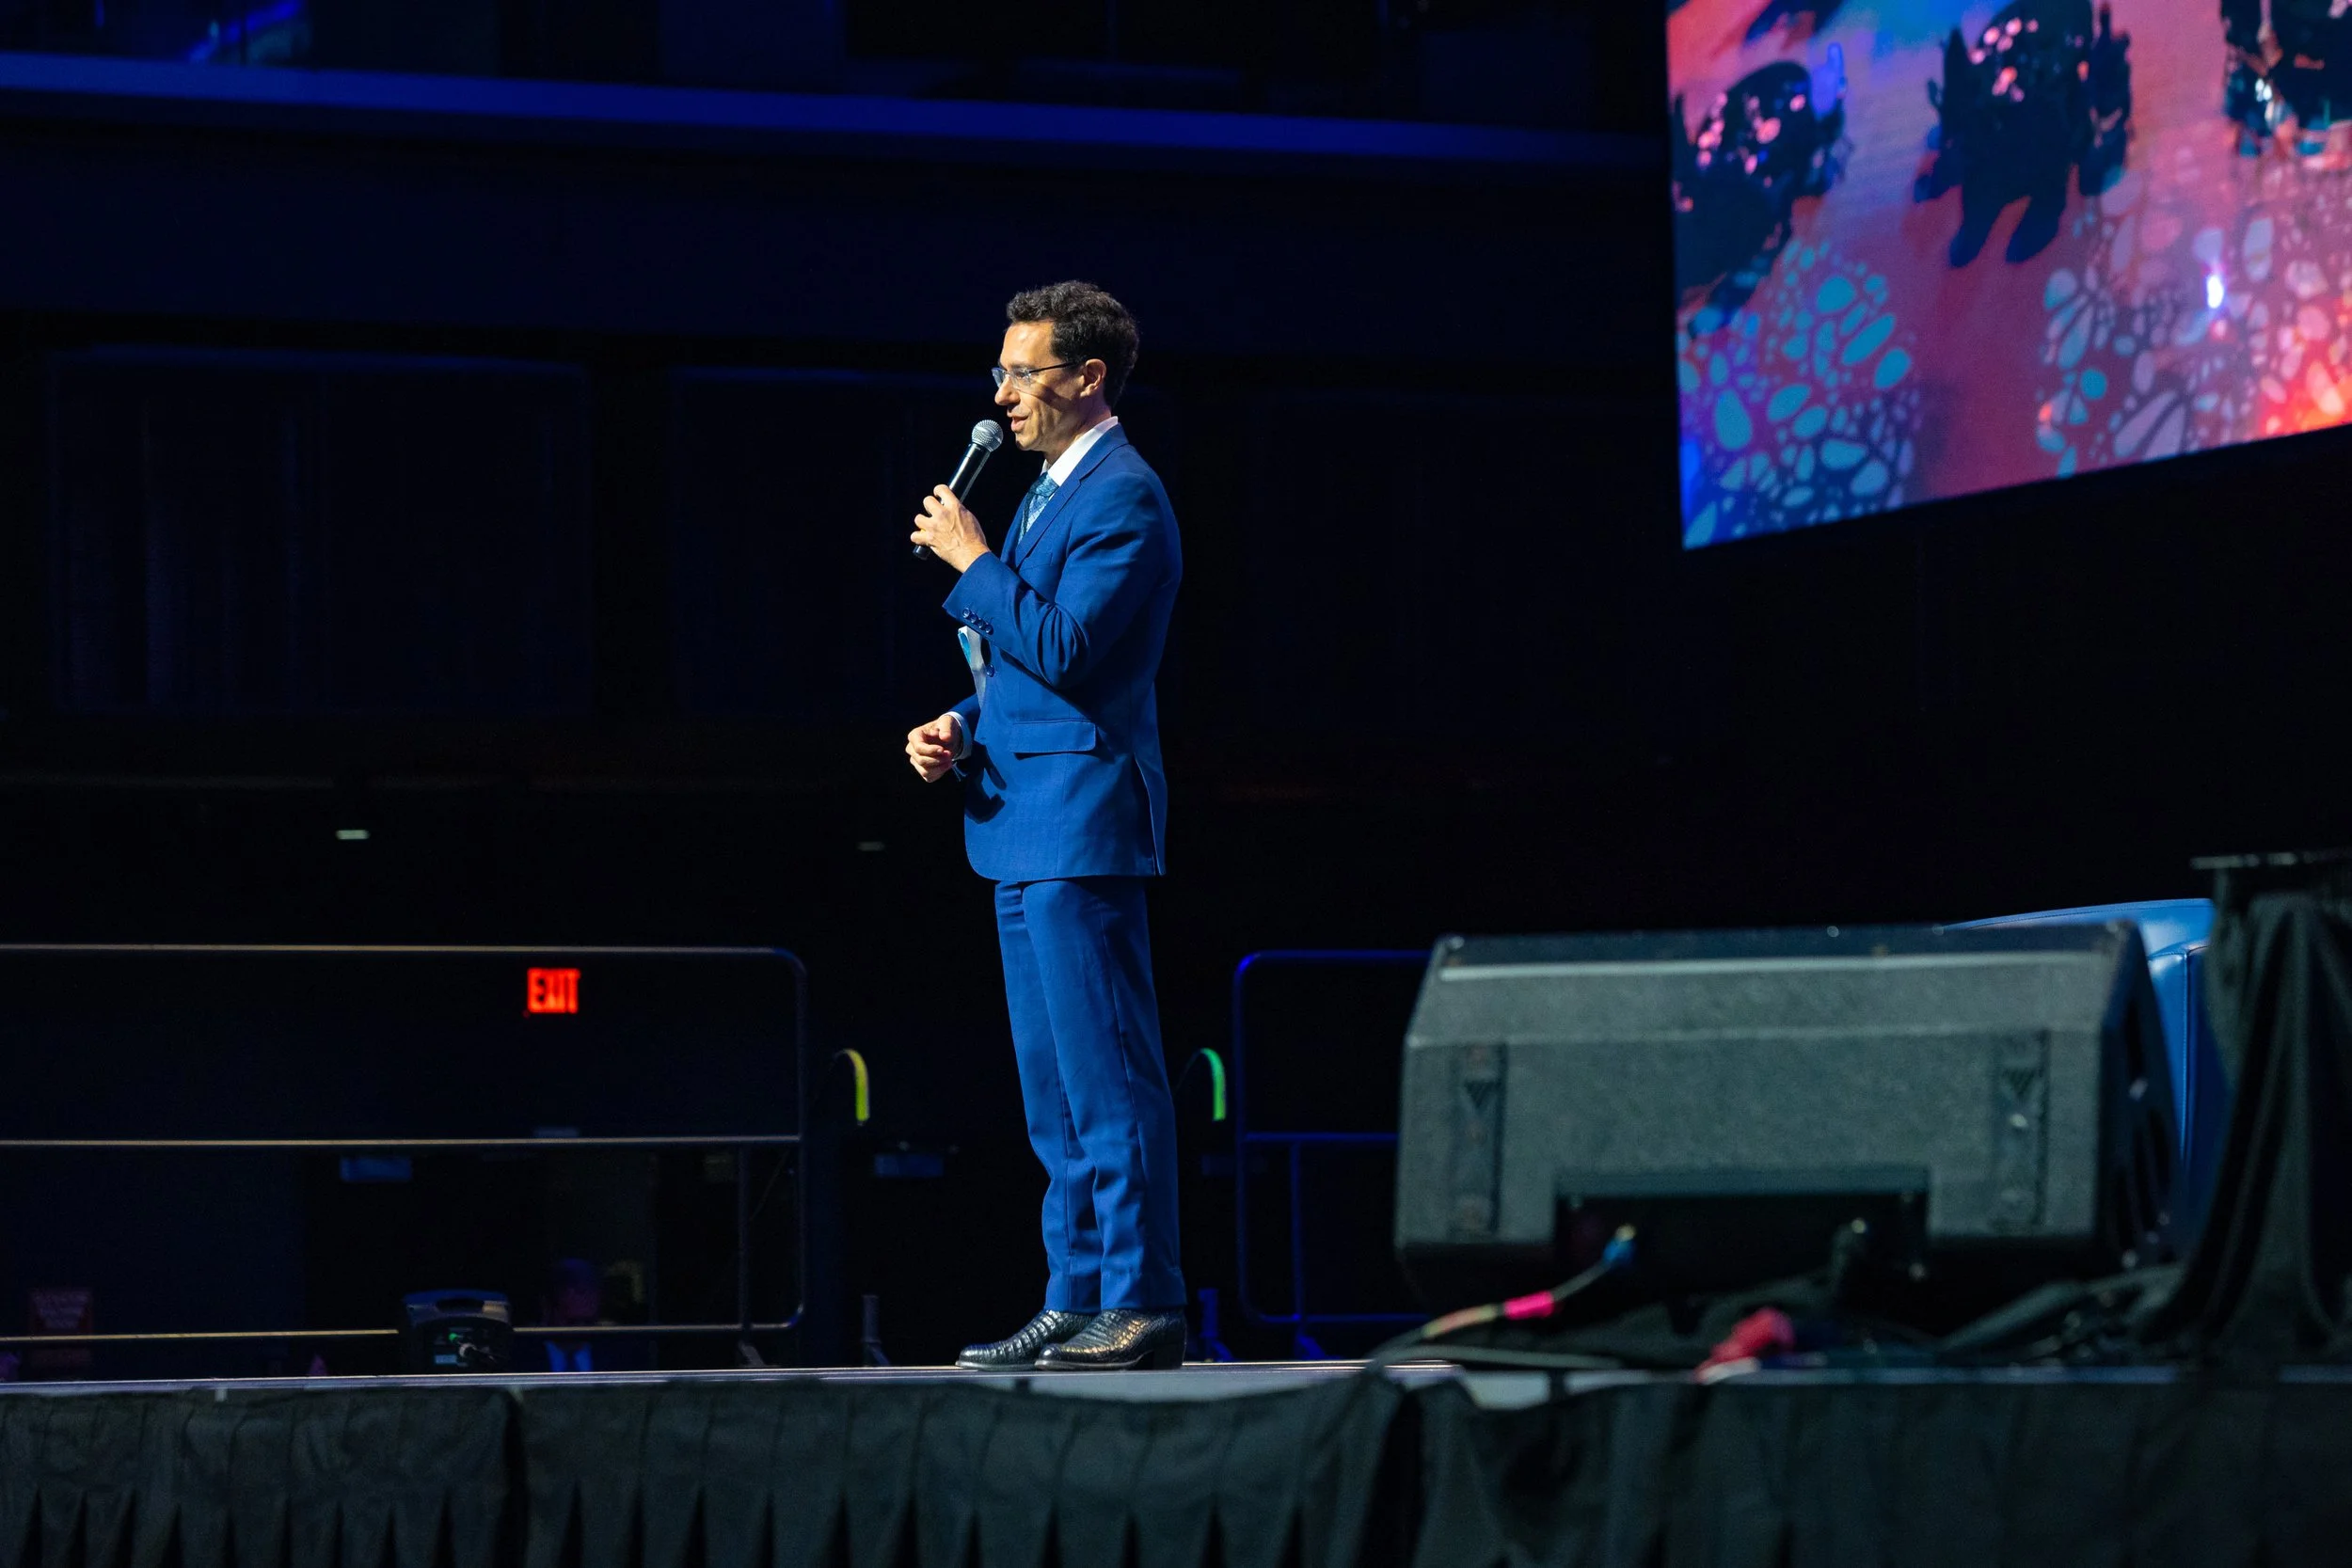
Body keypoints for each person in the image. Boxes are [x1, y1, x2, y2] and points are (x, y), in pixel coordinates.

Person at [904, 280, 1185, 1371]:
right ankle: (1075, 1294)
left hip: (1079, 821)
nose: (1002, 395)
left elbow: (1070, 647)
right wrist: (960, 724)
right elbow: (1027, 669)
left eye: (1023, 374)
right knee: (1054, 1093)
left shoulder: (1125, 496)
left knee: (1109, 1077)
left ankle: (1143, 1293)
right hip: (1019, 816)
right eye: (1000, 373)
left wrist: (971, 561)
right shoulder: (1043, 495)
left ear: (1086, 378)